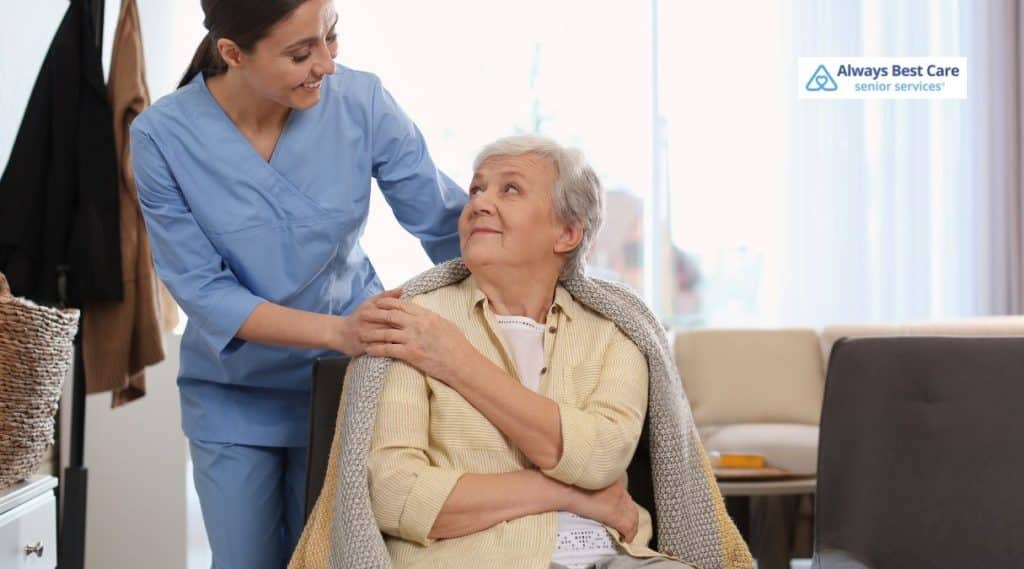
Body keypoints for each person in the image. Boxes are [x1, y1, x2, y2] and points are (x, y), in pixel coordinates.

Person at [129, 1, 466, 567]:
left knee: (334, 557)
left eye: (331, 37)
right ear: (233, 53)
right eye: (301, 53)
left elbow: (443, 222)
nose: (327, 65)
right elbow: (203, 290)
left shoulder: (361, 101)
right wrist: (340, 332)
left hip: (348, 384)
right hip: (235, 393)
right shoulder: (162, 136)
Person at [357, 136, 694, 568]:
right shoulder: (415, 323)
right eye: (477, 189)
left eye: (510, 189)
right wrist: (568, 494)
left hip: (615, 555)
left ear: (567, 233)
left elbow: (601, 458)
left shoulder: (617, 330)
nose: (479, 203)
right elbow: (395, 494)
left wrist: (457, 361)